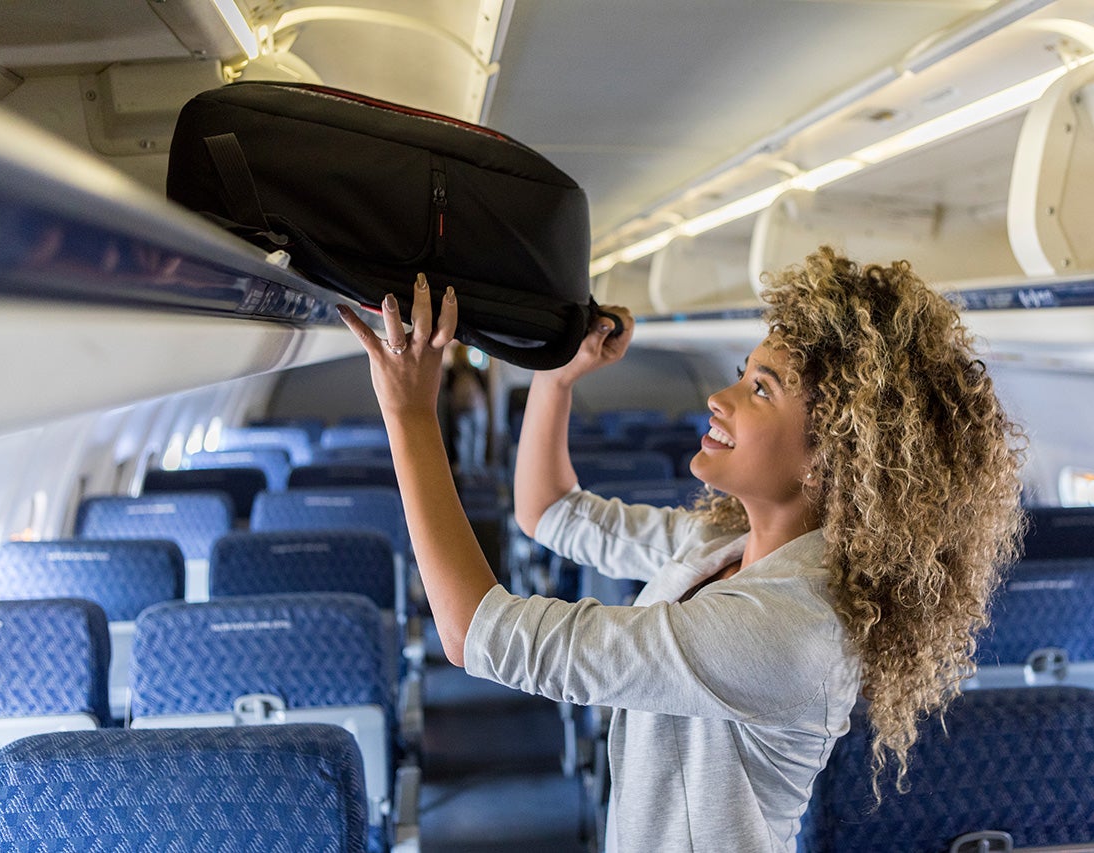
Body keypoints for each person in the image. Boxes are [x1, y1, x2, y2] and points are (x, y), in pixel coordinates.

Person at [337, 246, 1025, 852]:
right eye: (741, 372)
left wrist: (408, 413)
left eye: (762, 388)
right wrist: (557, 376)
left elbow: (475, 632)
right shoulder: (727, 543)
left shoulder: (787, 631)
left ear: (828, 457)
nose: (719, 398)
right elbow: (548, 510)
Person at [442, 342, 489, 473]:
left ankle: (464, 468)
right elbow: (483, 388)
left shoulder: (451, 371)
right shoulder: (474, 369)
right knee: (479, 436)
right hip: (477, 407)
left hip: (460, 408)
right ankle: (478, 466)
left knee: (463, 438)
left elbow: (447, 391)